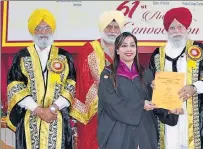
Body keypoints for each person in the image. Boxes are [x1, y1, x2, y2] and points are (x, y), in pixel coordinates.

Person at [149, 7, 203, 149]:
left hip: (193, 112)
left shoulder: (199, 49)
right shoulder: (158, 54)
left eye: (180, 27)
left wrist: (194, 88)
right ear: (167, 31)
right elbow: (149, 80)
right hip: (167, 114)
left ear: (187, 28)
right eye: (172, 27)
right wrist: (152, 84)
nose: (176, 31)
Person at [6, 9, 76, 149]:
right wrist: (38, 110)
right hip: (30, 118)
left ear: (52, 30)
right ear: (33, 31)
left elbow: (71, 85)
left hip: (57, 118)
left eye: (47, 28)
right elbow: (15, 87)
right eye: (38, 28)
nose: (43, 33)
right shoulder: (22, 56)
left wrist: (53, 108)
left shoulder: (64, 56)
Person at [97, 32, 179, 149]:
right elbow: (111, 104)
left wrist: (170, 110)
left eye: (132, 45)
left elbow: (155, 104)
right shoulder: (108, 75)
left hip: (145, 132)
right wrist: (141, 105)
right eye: (124, 46)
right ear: (117, 50)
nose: (129, 49)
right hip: (118, 133)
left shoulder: (146, 74)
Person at [69, 10, 125, 149]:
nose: (112, 30)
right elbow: (84, 80)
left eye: (116, 27)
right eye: (108, 26)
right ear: (102, 28)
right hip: (95, 112)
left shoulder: (126, 49)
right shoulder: (89, 49)